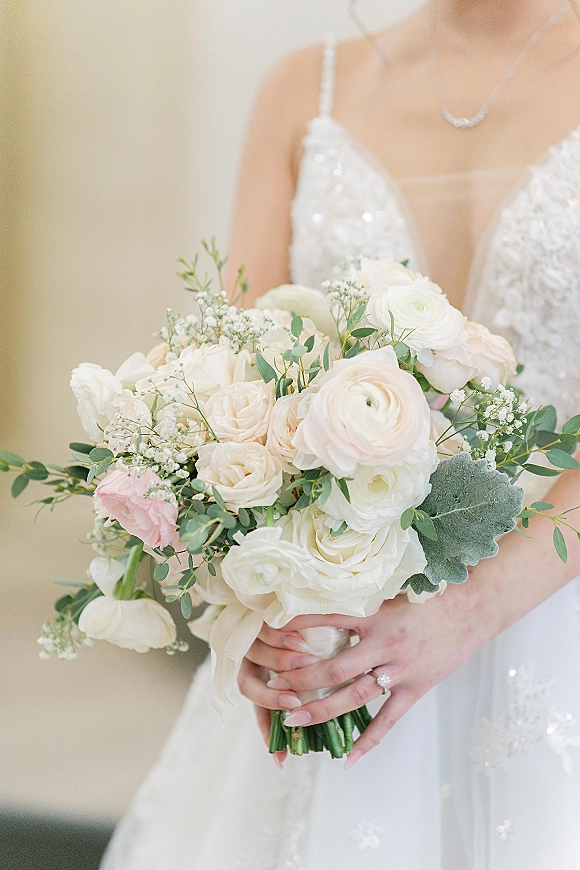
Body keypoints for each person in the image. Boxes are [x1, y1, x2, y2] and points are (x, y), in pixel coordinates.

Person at [101, 2, 580, 867]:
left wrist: (461, 614)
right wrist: (244, 616)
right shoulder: (305, 88)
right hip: (327, 637)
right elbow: (232, 382)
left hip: (554, 619)